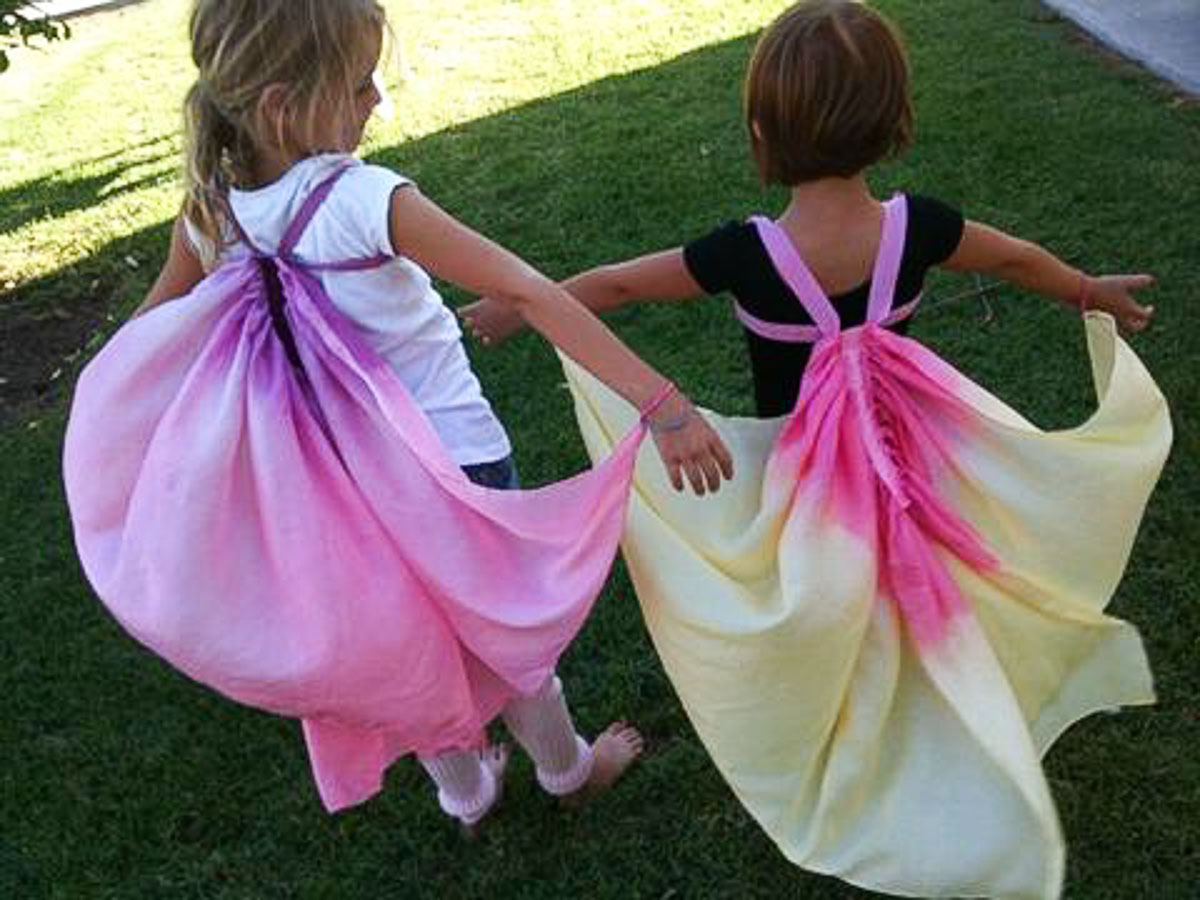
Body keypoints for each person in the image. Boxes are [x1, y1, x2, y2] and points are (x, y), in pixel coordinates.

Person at [463, 1, 1170, 896]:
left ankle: (858, 726)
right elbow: (1017, 259)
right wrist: (1087, 291)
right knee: (923, 591)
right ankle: (943, 701)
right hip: (921, 468)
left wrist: (520, 303)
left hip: (814, 490)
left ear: (761, 132)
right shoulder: (919, 228)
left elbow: (612, 285)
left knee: (835, 604)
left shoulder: (746, 254)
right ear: (896, 122)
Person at [62, 0, 734, 833]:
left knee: (397, 644)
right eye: (355, 83)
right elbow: (528, 288)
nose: (374, 98)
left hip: (327, 494)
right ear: (283, 105)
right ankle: (568, 770)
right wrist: (662, 404)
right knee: (503, 631)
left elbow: (146, 337)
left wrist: (104, 433)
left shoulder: (213, 209)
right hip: (451, 473)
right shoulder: (363, 197)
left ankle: (467, 792)